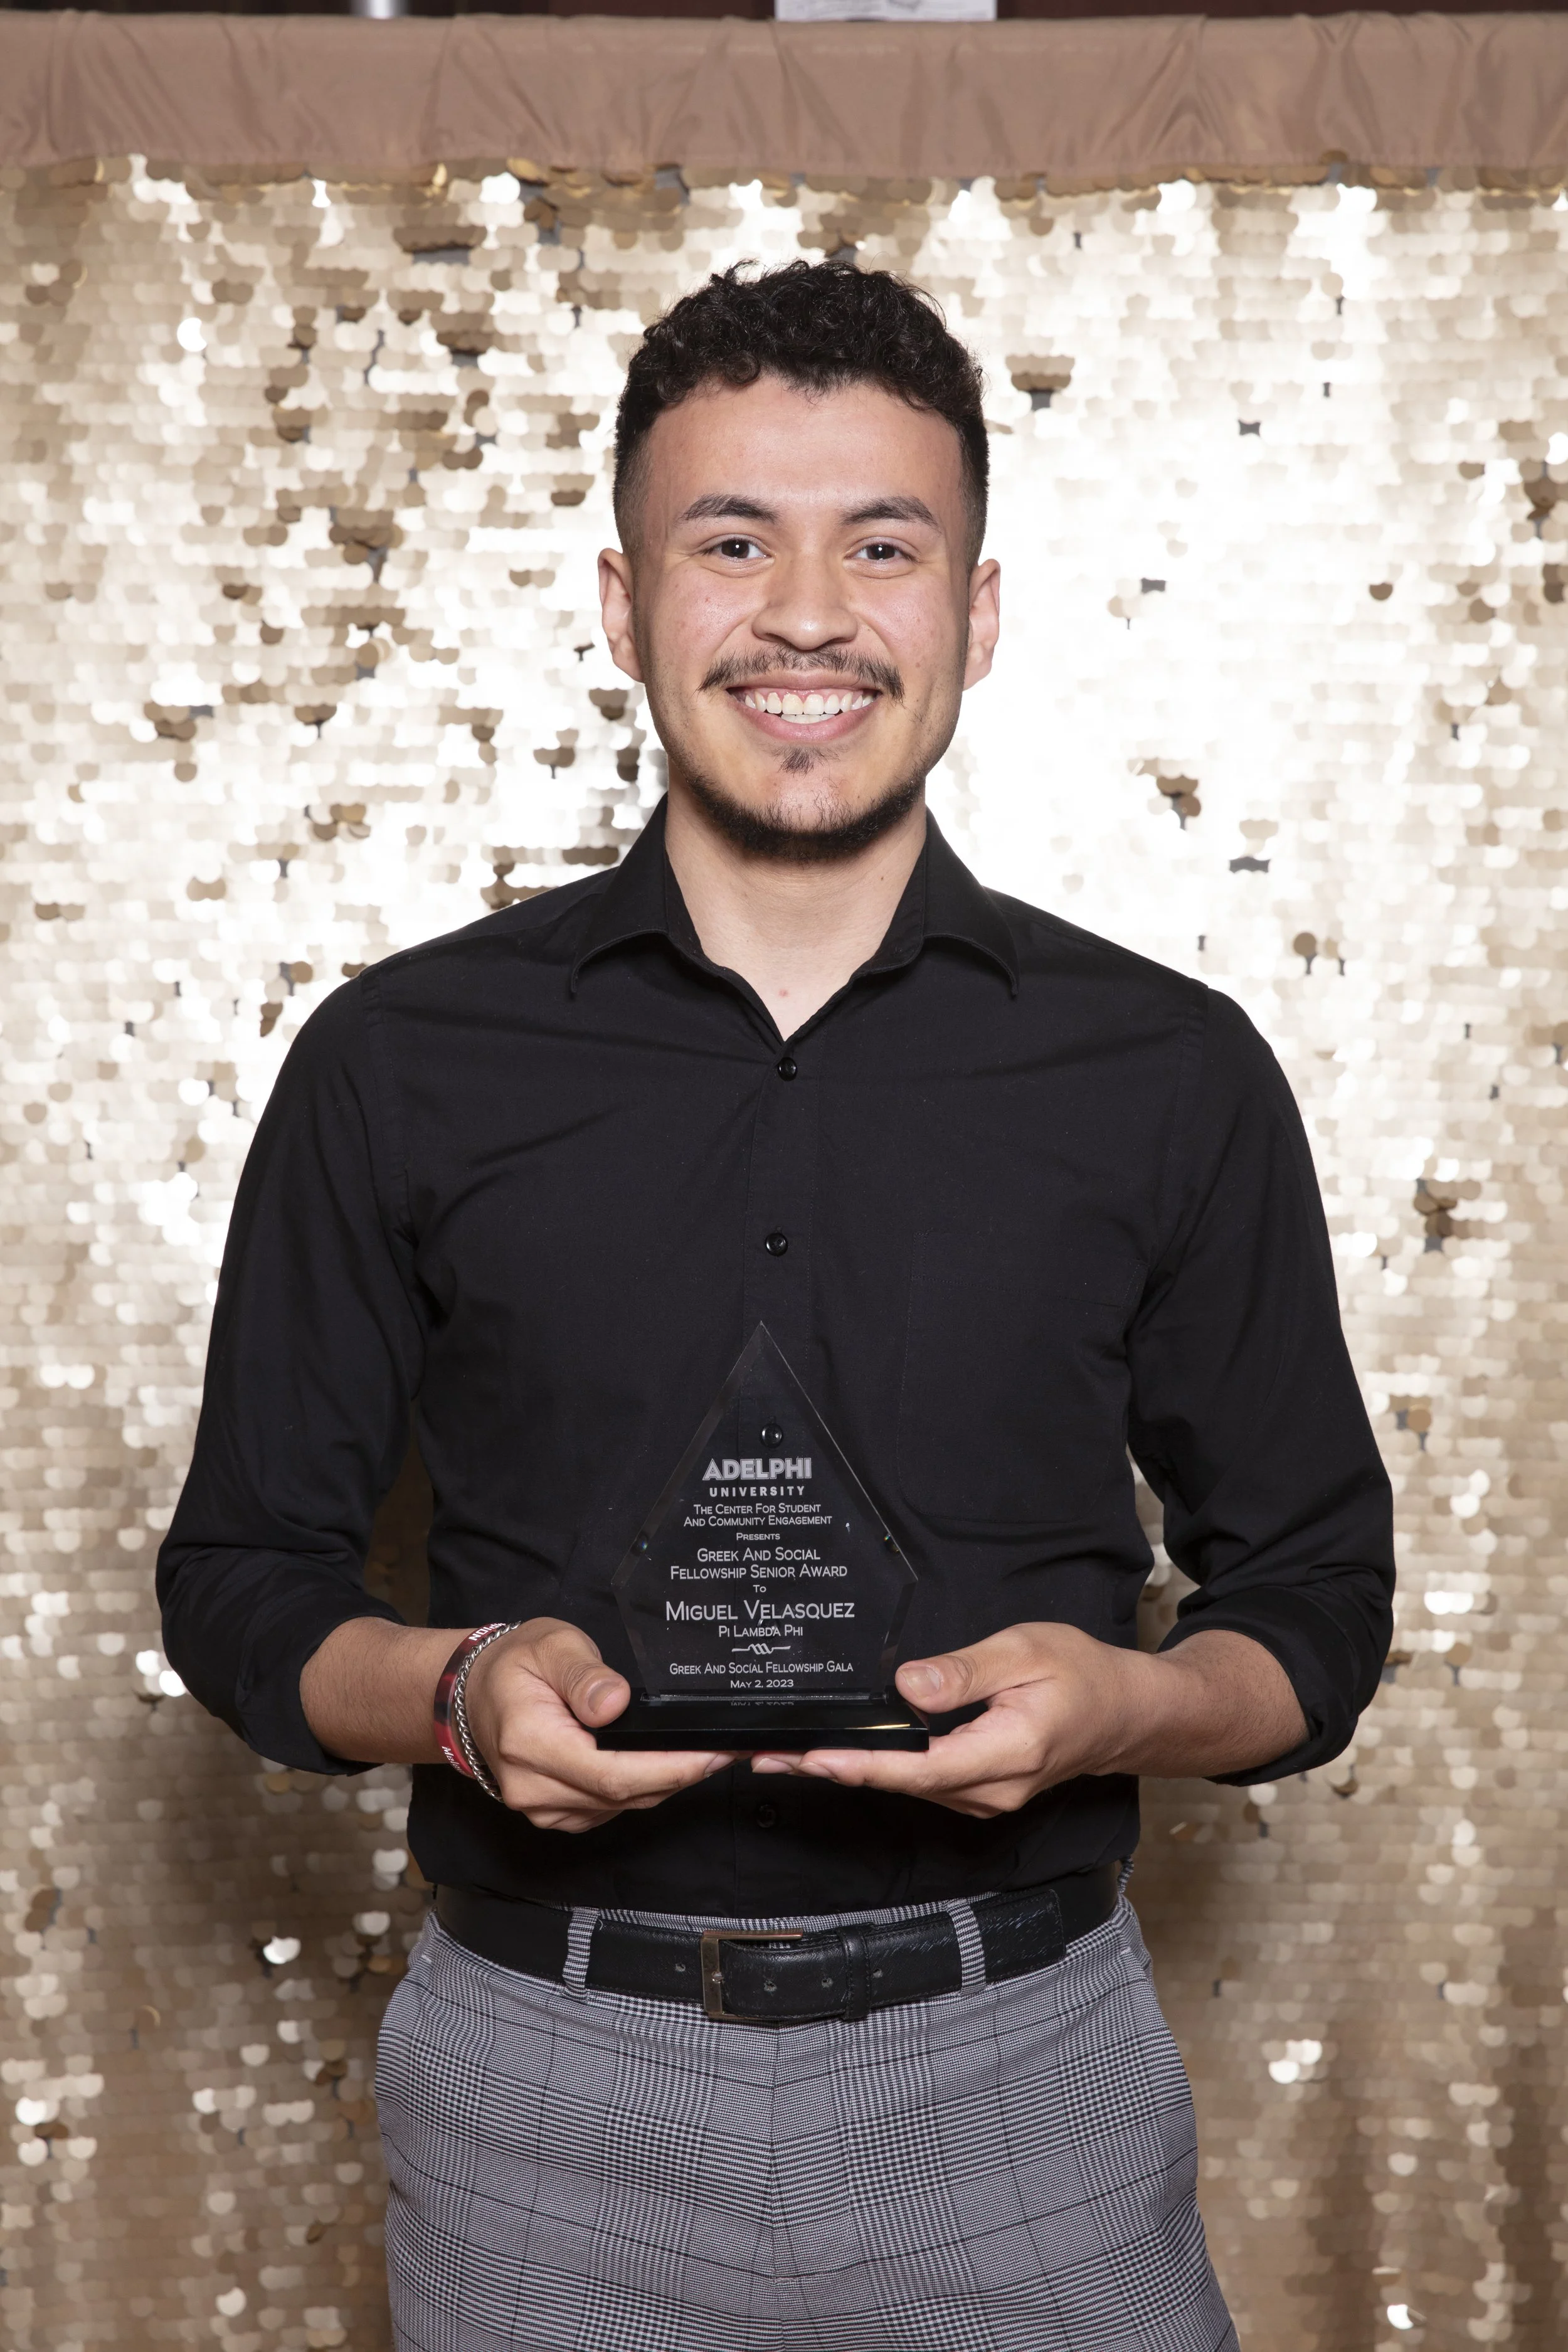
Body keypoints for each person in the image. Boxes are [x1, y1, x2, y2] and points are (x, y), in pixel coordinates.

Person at [159, 257, 1394, 2352]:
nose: (806, 613)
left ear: (973, 615)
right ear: (627, 606)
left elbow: (1317, 1608)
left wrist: (1131, 1703)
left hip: (1024, 2083)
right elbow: (243, 1585)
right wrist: (456, 1700)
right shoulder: (397, 1058)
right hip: (538, 2093)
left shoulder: (1168, 1070)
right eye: (730, 540)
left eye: (880, 546)